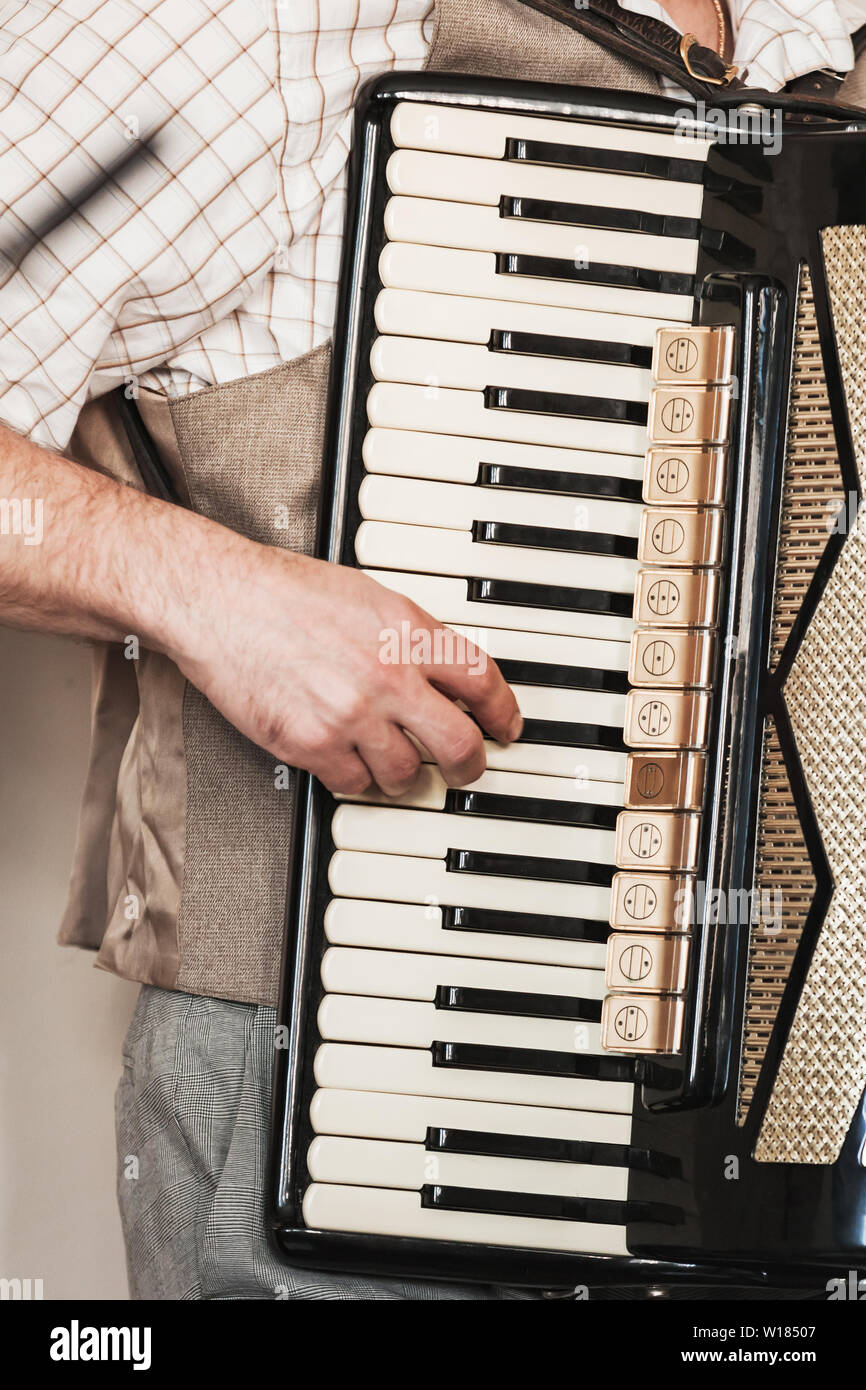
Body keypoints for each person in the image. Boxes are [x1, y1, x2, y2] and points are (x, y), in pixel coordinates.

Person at [2, 0, 865, 1301]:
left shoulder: (824, 32)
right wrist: (218, 593)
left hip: (796, 1138)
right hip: (362, 1109)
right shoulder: (229, 23)